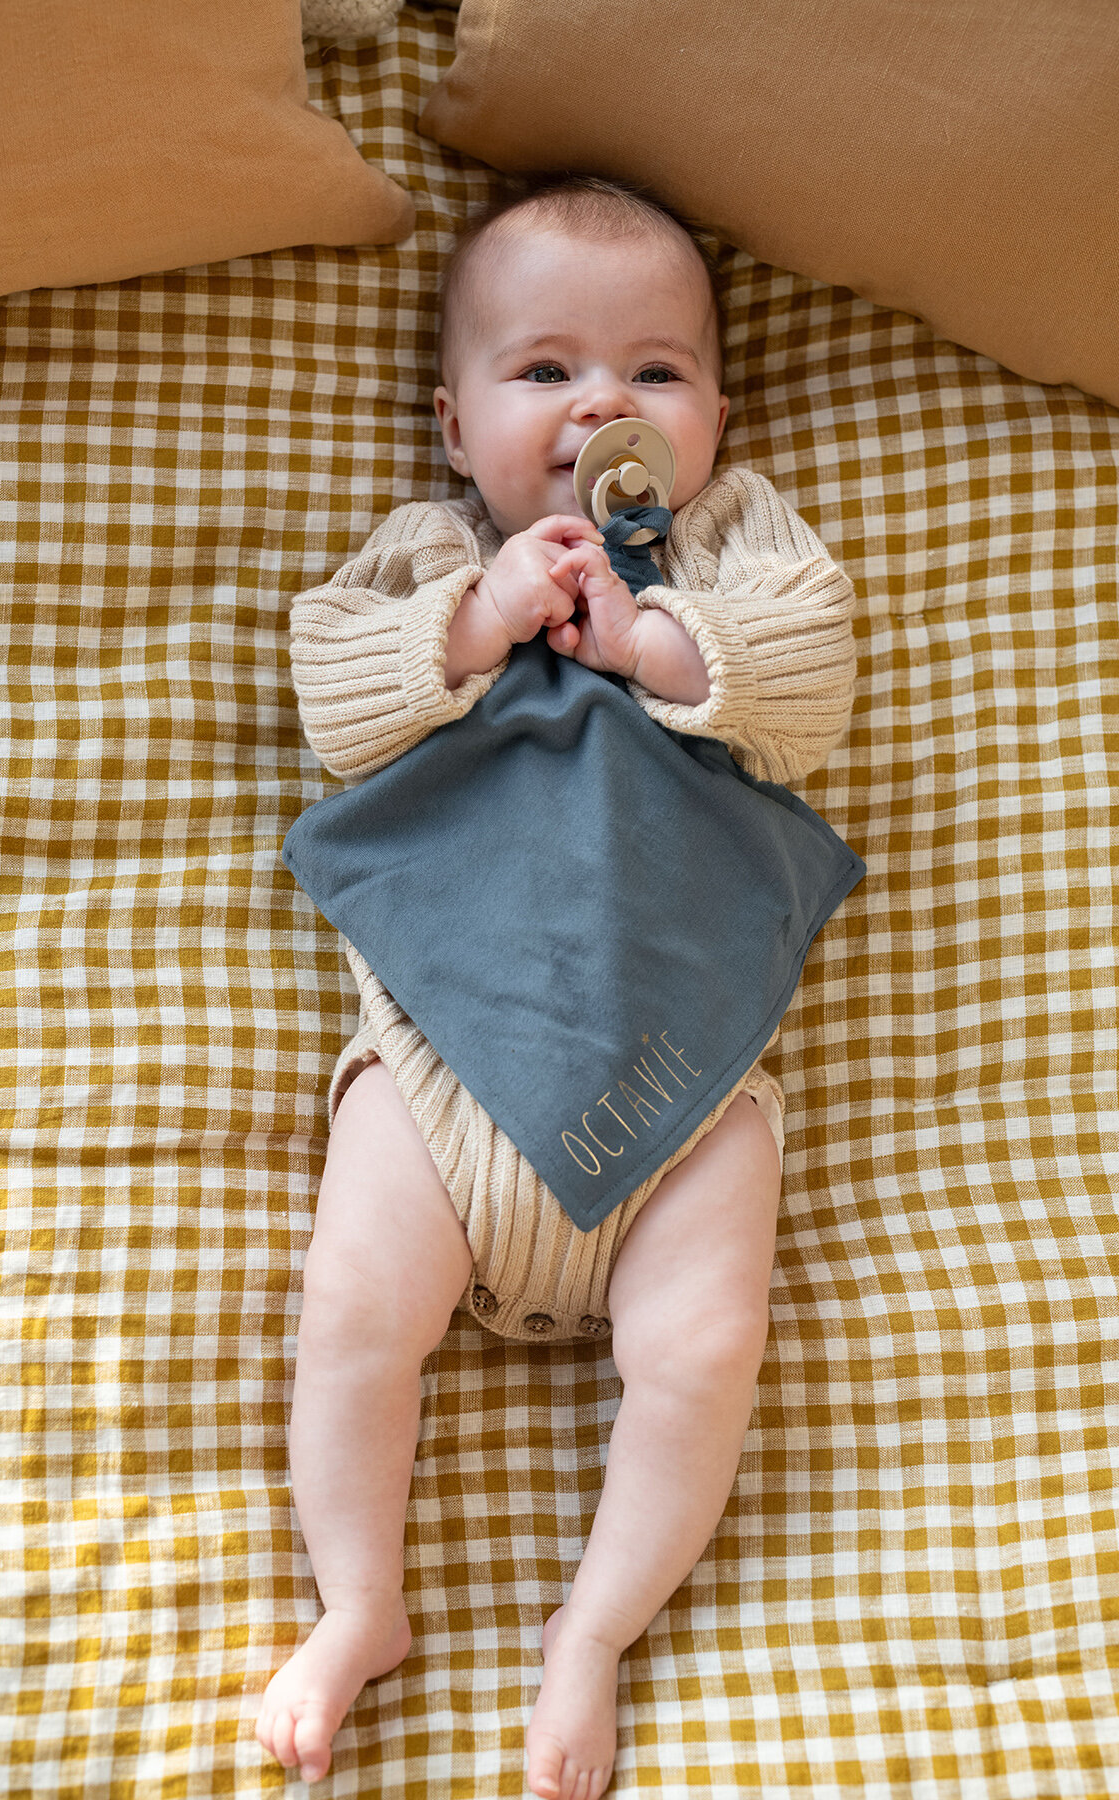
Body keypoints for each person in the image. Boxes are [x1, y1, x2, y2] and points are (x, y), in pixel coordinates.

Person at [257, 174, 858, 1800]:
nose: (604, 402)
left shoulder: (733, 550)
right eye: (545, 374)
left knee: (704, 1348)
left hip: (686, 1080)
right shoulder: (432, 550)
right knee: (353, 1309)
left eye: (654, 373)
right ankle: (360, 1604)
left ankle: (593, 1628)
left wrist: (657, 647)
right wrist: (482, 621)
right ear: (455, 427)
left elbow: (803, 686)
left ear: (716, 415)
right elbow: (339, 697)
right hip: (448, 1067)